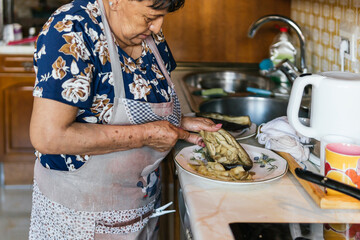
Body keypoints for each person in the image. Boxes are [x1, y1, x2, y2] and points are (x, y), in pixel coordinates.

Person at [28, 0, 221, 239]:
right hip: (82, 218)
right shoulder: (70, 29)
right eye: (150, 17)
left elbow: (131, 102)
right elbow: (49, 136)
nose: (157, 28)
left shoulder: (145, 35)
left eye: (162, 17)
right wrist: (148, 135)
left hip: (140, 209)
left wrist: (177, 122)